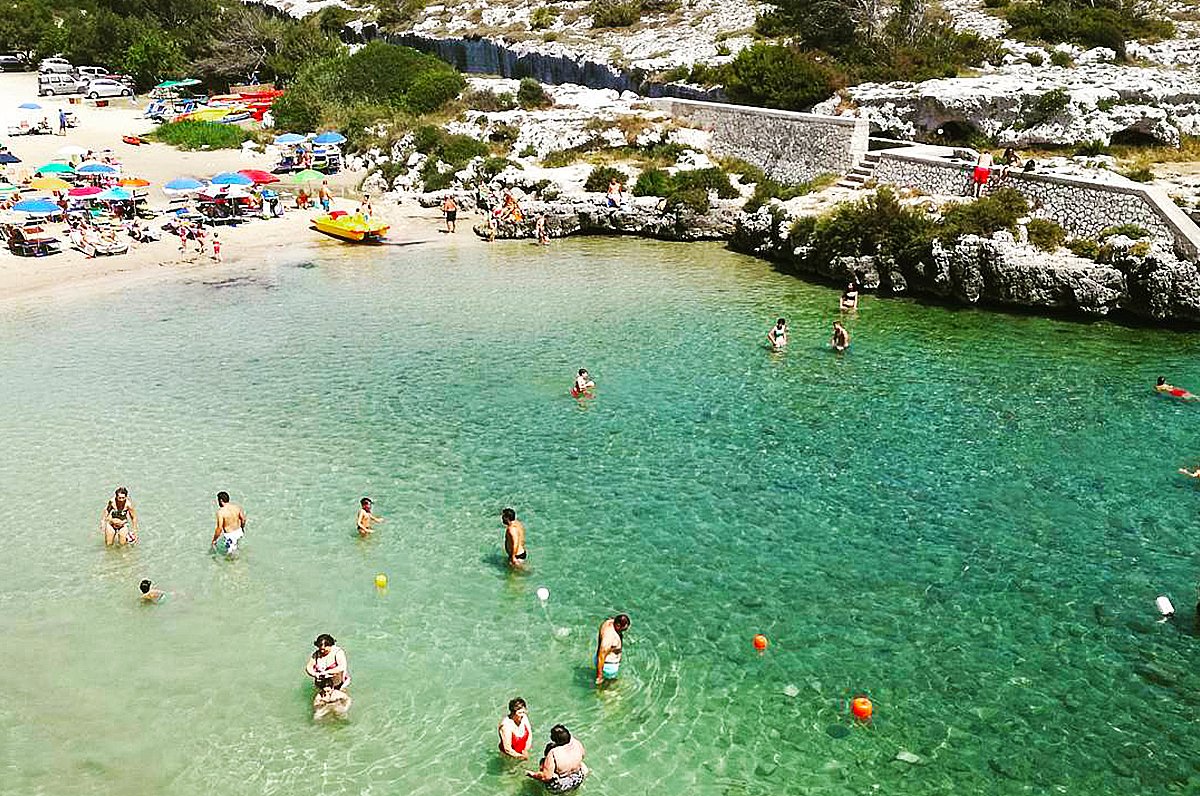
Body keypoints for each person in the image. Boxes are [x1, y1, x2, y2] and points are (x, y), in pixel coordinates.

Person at [527, 724, 588, 792]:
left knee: (543, 762)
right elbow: (583, 755)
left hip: (561, 786)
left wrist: (532, 774)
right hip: (578, 779)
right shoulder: (577, 743)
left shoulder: (553, 753)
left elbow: (546, 777)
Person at [595, 614, 629, 685]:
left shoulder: (609, 622)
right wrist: (599, 677)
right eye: (623, 630)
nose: (623, 632)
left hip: (607, 665)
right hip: (608, 667)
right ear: (618, 625)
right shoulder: (609, 637)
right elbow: (601, 656)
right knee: (609, 688)